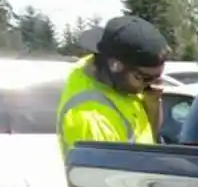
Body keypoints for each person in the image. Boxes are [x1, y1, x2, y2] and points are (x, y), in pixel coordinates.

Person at [56, 15, 170, 157]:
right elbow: (110, 178)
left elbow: (149, 140)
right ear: (115, 65)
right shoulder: (92, 119)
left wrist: (153, 104)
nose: (151, 84)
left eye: (156, 78)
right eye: (145, 78)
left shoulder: (116, 78)